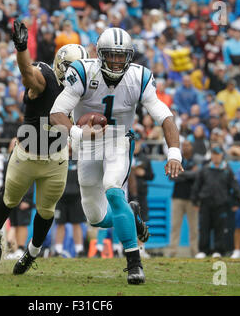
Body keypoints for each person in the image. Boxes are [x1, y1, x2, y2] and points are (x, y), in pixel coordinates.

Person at [50, 27, 183, 284]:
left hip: (118, 140)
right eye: (111, 55)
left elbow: (164, 115)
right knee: (96, 218)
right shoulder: (82, 72)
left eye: (121, 56)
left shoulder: (139, 77)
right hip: (86, 143)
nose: (116, 61)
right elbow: (57, 113)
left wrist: (174, 153)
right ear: (100, 55)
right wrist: (79, 134)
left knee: (113, 190)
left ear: (130, 57)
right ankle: (130, 214)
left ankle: (134, 263)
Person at [0, 20, 89, 274]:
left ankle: (31, 253)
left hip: (56, 158)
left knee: (46, 210)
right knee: (10, 199)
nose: (75, 75)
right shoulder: (46, 79)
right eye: (71, 69)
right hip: (27, 153)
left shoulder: (85, 88)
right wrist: (22, 48)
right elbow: (27, 74)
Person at [191, 145, 240, 258]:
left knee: (220, 228)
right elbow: (197, 186)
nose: (215, 157)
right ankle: (203, 250)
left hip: (221, 204)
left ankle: (218, 251)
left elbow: (234, 186)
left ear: (222, 156)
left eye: (218, 154)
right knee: (204, 227)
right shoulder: (205, 169)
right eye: (214, 154)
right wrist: (195, 201)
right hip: (205, 203)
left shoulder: (227, 170)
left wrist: (236, 202)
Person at [53, 145, 86, 258]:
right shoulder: (58, 158)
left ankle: (79, 250)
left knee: (77, 224)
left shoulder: (80, 159)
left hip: (76, 197)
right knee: (60, 224)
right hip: (60, 197)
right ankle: (58, 250)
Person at [168, 140, 199, 258]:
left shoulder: (195, 160)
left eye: (188, 145)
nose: (185, 147)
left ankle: (195, 252)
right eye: (184, 145)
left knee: (194, 228)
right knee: (175, 226)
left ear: (191, 147)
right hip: (177, 198)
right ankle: (173, 251)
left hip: (192, 198)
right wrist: (188, 174)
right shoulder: (177, 159)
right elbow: (172, 177)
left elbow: (196, 175)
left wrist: (181, 173)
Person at [128, 133, 154, 259]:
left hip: (141, 193)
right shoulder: (125, 156)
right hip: (127, 193)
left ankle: (141, 248)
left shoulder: (145, 158)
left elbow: (151, 175)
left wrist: (143, 173)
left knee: (141, 220)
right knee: (126, 220)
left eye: (137, 142)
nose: (136, 145)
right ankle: (128, 248)